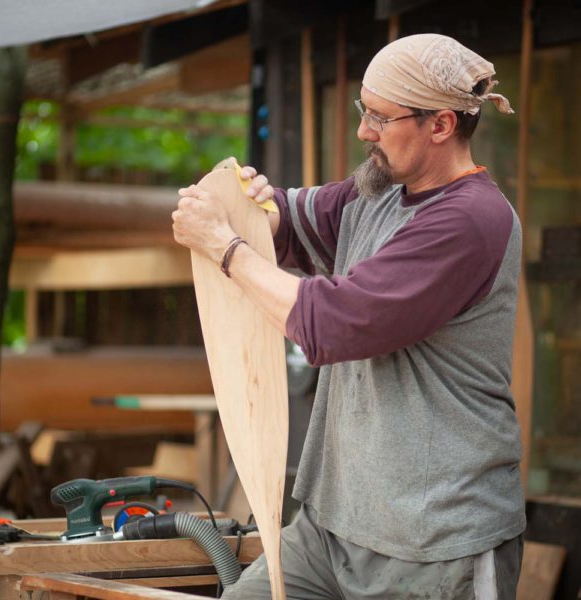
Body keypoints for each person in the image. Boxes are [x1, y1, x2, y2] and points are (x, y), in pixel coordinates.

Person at [172, 33, 525, 600]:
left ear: (439, 125)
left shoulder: (471, 220)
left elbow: (332, 322)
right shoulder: (378, 194)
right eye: (365, 111)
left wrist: (225, 249)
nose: (364, 132)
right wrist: (249, 207)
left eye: (381, 119)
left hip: (435, 541)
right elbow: (290, 221)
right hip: (333, 526)